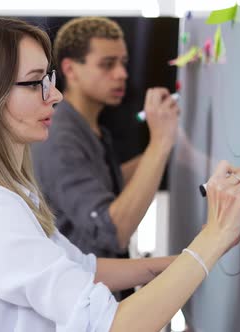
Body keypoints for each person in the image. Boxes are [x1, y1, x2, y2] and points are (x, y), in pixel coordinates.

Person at [0, 15, 240, 331]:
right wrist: (213, 236)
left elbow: (85, 268)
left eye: (48, 80)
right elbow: (112, 324)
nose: (56, 95)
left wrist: (190, 256)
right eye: (36, 83)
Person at [32, 17, 179, 267]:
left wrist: (168, 146)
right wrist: (160, 143)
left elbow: (102, 179)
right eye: (107, 64)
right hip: (80, 295)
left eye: (123, 63)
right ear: (70, 69)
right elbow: (114, 232)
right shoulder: (59, 138)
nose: (122, 74)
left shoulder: (87, 125)